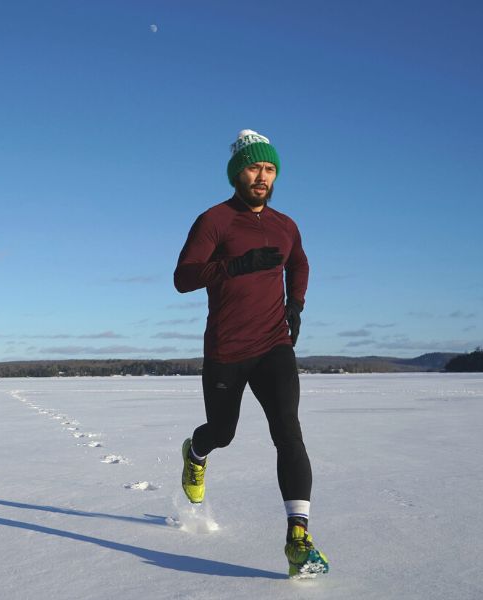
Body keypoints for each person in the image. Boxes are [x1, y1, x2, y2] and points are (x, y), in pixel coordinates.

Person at [173, 129, 329, 578]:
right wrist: (233, 266)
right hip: (227, 348)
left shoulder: (285, 225)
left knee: (289, 432)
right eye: (254, 167)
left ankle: (298, 537)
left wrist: (295, 304)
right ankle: (197, 452)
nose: (262, 176)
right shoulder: (215, 221)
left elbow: (298, 260)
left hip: (273, 344)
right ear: (237, 172)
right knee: (223, 432)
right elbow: (183, 277)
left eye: (270, 168)